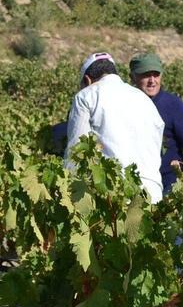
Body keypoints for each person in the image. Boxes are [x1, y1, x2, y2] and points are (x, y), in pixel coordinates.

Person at [64, 52, 164, 203]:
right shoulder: (145, 100)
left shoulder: (86, 96)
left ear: (87, 80)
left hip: (115, 197)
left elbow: (76, 153)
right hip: (152, 194)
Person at [128, 52, 183, 193]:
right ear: (132, 77)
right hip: (137, 183)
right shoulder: (126, 105)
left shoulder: (173, 105)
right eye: (146, 75)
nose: (152, 80)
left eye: (156, 75)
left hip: (170, 183)